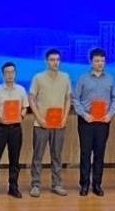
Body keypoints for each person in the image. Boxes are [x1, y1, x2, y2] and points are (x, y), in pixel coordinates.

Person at [74, 48, 115, 197]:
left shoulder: (110, 79)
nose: (100, 63)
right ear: (91, 62)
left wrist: (110, 115)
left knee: (99, 153)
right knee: (85, 153)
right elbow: (75, 99)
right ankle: (84, 184)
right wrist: (84, 114)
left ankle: (97, 184)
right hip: (86, 121)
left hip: (103, 122)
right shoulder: (83, 78)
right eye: (97, 61)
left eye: (102, 61)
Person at [28, 48, 72, 197]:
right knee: (38, 155)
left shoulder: (65, 77)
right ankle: (35, 185)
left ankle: (57, 184)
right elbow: (31, 98)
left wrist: (64, 118)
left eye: (58, 60)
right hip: (41, 124)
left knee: (57, 155)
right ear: (47, 61)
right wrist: (39, 118)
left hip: (59, 124)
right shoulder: (38, 77)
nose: (55, 62)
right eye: (52, 60)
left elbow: (68, 99)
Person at [0, 61, 28, 199]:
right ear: (3, 74)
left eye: (12, 72)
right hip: (1, 128)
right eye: (7, 72)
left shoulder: (21, 90)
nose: (10, 75)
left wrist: (21, 116)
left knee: (14, 159)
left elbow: (25, 107)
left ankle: (13, 187)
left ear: (15, 73)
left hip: (15, 128)